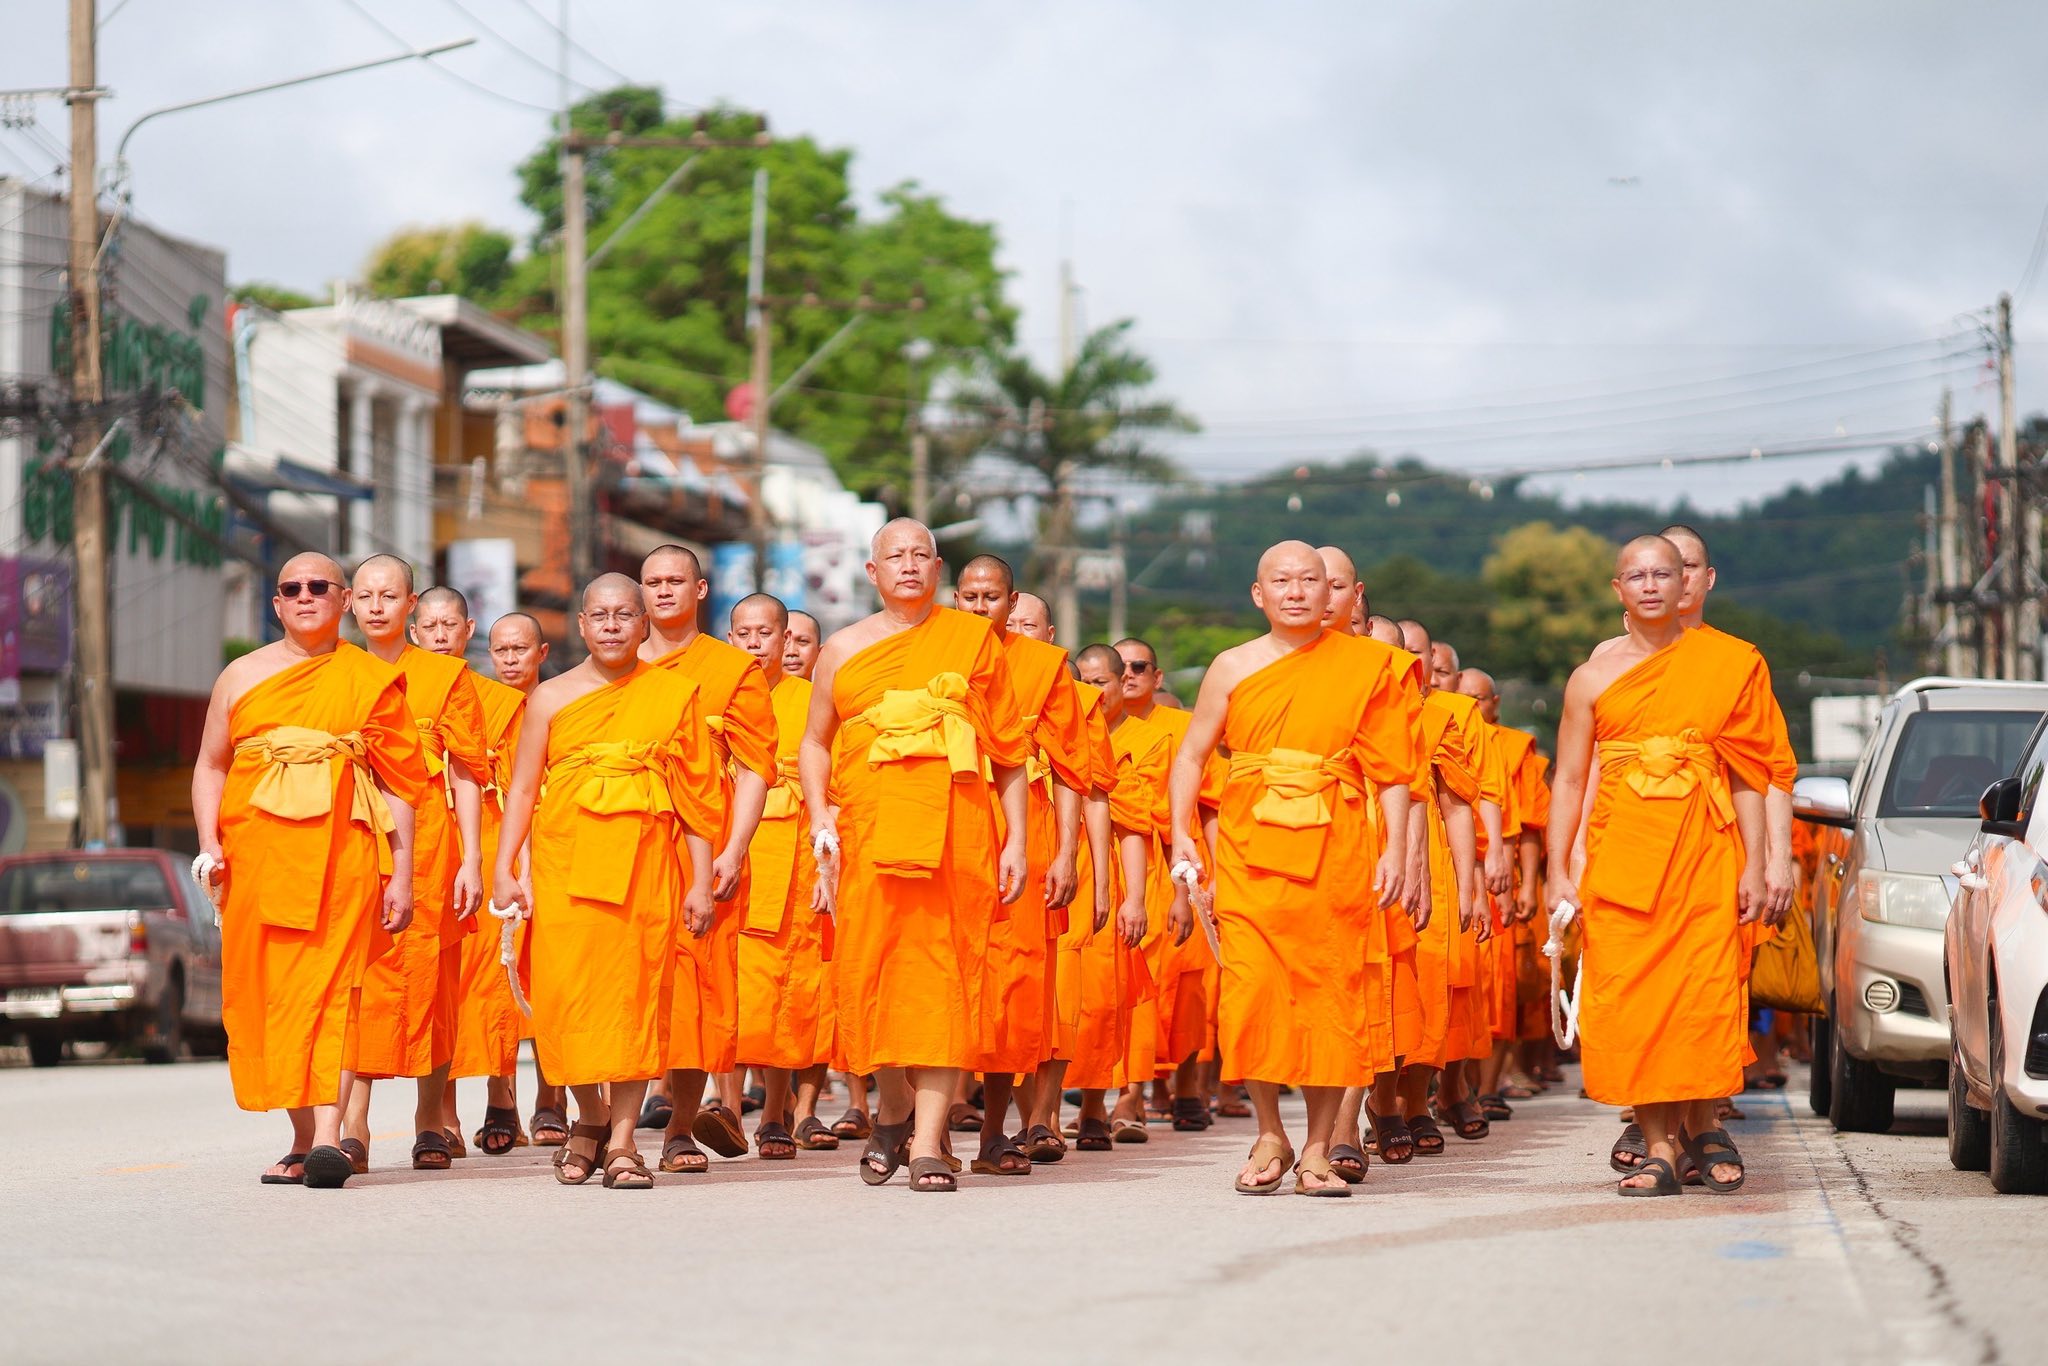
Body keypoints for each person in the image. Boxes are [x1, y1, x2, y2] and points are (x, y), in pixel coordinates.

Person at [1169, 542, 1417, 1196]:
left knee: (1328, 999)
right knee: (1250, 994)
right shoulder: (1231, 666)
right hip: (1251, 855)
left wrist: (1396, 850)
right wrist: (1180, 836)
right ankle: (1269, 1129)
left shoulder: (1369, 667)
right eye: (1283, 581)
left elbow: (1393, 770)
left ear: (1335, 593)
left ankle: (1315, 1149)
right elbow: (1192, 756)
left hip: (1334, 852)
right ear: (1260, 594)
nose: (1299, 592)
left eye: (1312, 581)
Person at [799, 519, 1029, 1192]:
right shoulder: (841, 649)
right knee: (871, 975)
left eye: (921, 555)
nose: (908, 565)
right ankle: (893, 1106)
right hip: (869, 835)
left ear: (939, 570)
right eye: (894, 556)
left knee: (946, 978)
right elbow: (815, 742)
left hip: (956, 834)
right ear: (871, 573)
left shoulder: (972, 642)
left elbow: (1010, 752)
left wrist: (1016, 839)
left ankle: (929, 1141)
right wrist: (820, 818)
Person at [1546, 536, 1777, 1196]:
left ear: (1687, 587)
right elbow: (1567, 780)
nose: (1650, 585)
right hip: (1623, 861)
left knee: (1702, 999)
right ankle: (1657, 1146)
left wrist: (1755, 866)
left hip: (1705, 854)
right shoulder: (1591, 677)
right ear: (1617, 590)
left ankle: (1704, 1128)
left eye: (1663, 574)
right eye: (1636, 576)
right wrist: (1559, 870)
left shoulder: (1730, 663)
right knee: (1633, 1001)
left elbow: (1748, 776)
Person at [191, 553, 425, 1188]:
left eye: (318, 586)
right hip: (256, 861)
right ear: (276, 603)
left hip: (342, 860)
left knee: (332, 992)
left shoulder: (368, 679)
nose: (304, 596)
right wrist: (210, 844)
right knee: (273, 998)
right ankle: (300, 1136)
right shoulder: (240, 676)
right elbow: (212, 764)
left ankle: (329, 1137)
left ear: (343, 600)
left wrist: (400, 874)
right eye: (291, 588)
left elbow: (404, 784)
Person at [493, 575, 722, 1189]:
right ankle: (588, 1117)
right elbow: (520, 789)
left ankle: (622, 1141)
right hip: (566, 867)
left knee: (634, 999)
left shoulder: (675, 694)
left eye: (626, 614)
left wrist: (701, 882)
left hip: (646, 869)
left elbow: (697, 800)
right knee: (566, 999)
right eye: (601, 616)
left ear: (644, 623)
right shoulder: (550, 698)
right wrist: (503, 865)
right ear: (583, 624)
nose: (614, 625)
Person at [340, 556, 488, 1174]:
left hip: (429, 844)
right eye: (366, 595)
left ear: (411, 607)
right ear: (350, 603)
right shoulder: (330, 673)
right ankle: (353, 1125)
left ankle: (432, 1120)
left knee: (435, 983)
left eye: (390, 596)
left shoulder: (444, 676)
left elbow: (467, 770)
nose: (377, 606)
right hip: (350, 837)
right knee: (357, 980)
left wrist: (473, 858)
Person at [635, 545, 775, 1174]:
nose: (664, 591)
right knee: (626, 983)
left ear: (700, 589)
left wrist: (735, 847)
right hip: (623, 846)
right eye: (653, 582)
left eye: (675, 581)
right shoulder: (613, 667)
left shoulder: (730, 668)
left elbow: (753, 766)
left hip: (703, 847)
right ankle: (609, 1128)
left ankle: (681, 1129)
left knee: (697, 990)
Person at [952, 557, 1092, 1176]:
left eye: (992, 597)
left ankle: (993, 1129)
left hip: (1020, 831)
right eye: (970, 596)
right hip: (940, 820)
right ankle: (905, 1125)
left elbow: (1069, 768)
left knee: (1011, 983)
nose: (981, 607)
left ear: (1012, 603)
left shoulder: (1042, 667)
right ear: (955, 599)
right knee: (932, 972)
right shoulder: (925, 652)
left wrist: (1063, 851)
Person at [415, 590, 531, 1157]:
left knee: (489, 984)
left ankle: (500, 1094)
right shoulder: (396, 686)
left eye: (449, 625)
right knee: (439, 987)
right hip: (419, 846)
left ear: (469, 631)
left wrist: (510, 862)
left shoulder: (499, 702)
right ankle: (442, 1114)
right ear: (415, 633)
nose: (439, 635)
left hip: (483, 843)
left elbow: (518, 784)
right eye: (430, 626)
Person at [728, 593, 837, 1158]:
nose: (755, 644)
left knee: (796, 992)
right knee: (729, 989)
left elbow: (835, 788)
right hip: (731, 863)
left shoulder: (813, 701)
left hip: (797, 864)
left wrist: (829, 867)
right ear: (730, 639)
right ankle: (724, 1106)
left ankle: (780, 1113)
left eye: (766, 634)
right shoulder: (714, 698)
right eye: (743, 633)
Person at [1059, 644, 1168, 1151]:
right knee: (1054, 996)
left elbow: (1134, 827)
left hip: (1109, 880)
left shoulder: (1140, 740)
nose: (1093, 691)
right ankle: (1043, 1113)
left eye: (1102, 681)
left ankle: (1099, 1105)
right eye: (1083, 680)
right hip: (1055, 874)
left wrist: (1134, 898)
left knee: (1102, 998)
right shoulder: (1057, 732)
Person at [1113, 635, 1208, 1134]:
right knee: (1129, 982)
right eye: (1120, 666)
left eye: (1139, 666)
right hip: (1116, 863)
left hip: (1175, 861)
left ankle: (1189, 1087)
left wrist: (1189, 890)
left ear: (1157, 677)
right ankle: (1129, 1094)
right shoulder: (1091, 726)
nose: (1128, 674)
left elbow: (1204, 803)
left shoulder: (1183, 729)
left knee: (1184, 984)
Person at [481, 613, 569, 1146]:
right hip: (500, 844)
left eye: (520, 649)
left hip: (556, 841)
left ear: (541, 653)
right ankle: (500, 1101)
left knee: (552, 975)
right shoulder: (479, 708)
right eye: (500, 650)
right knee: (498, 981)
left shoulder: (562, 701)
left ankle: (551, 1097)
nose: (510, 659)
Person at [1425, 638, 1510, 1142]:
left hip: (1459, 858)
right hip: (1384, 852)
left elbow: (1485, 794)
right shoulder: (1373, 702)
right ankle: (1393, 1101)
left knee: (1459, 980)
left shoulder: (1461, 718)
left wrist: (1491, 856)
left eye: (1439, 669)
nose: (1430, 676)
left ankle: (1455, 1086)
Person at [1455, 666, 1535, 1121]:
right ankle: (1451, 1087)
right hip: (1442, 865)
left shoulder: (1511, 749)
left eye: (1479, 699)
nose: (1471, 706)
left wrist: (1518, 876)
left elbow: (1521, 822)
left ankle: (1486, 1088)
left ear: (1495, 702)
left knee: (1497, 988)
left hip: (1492, 869)